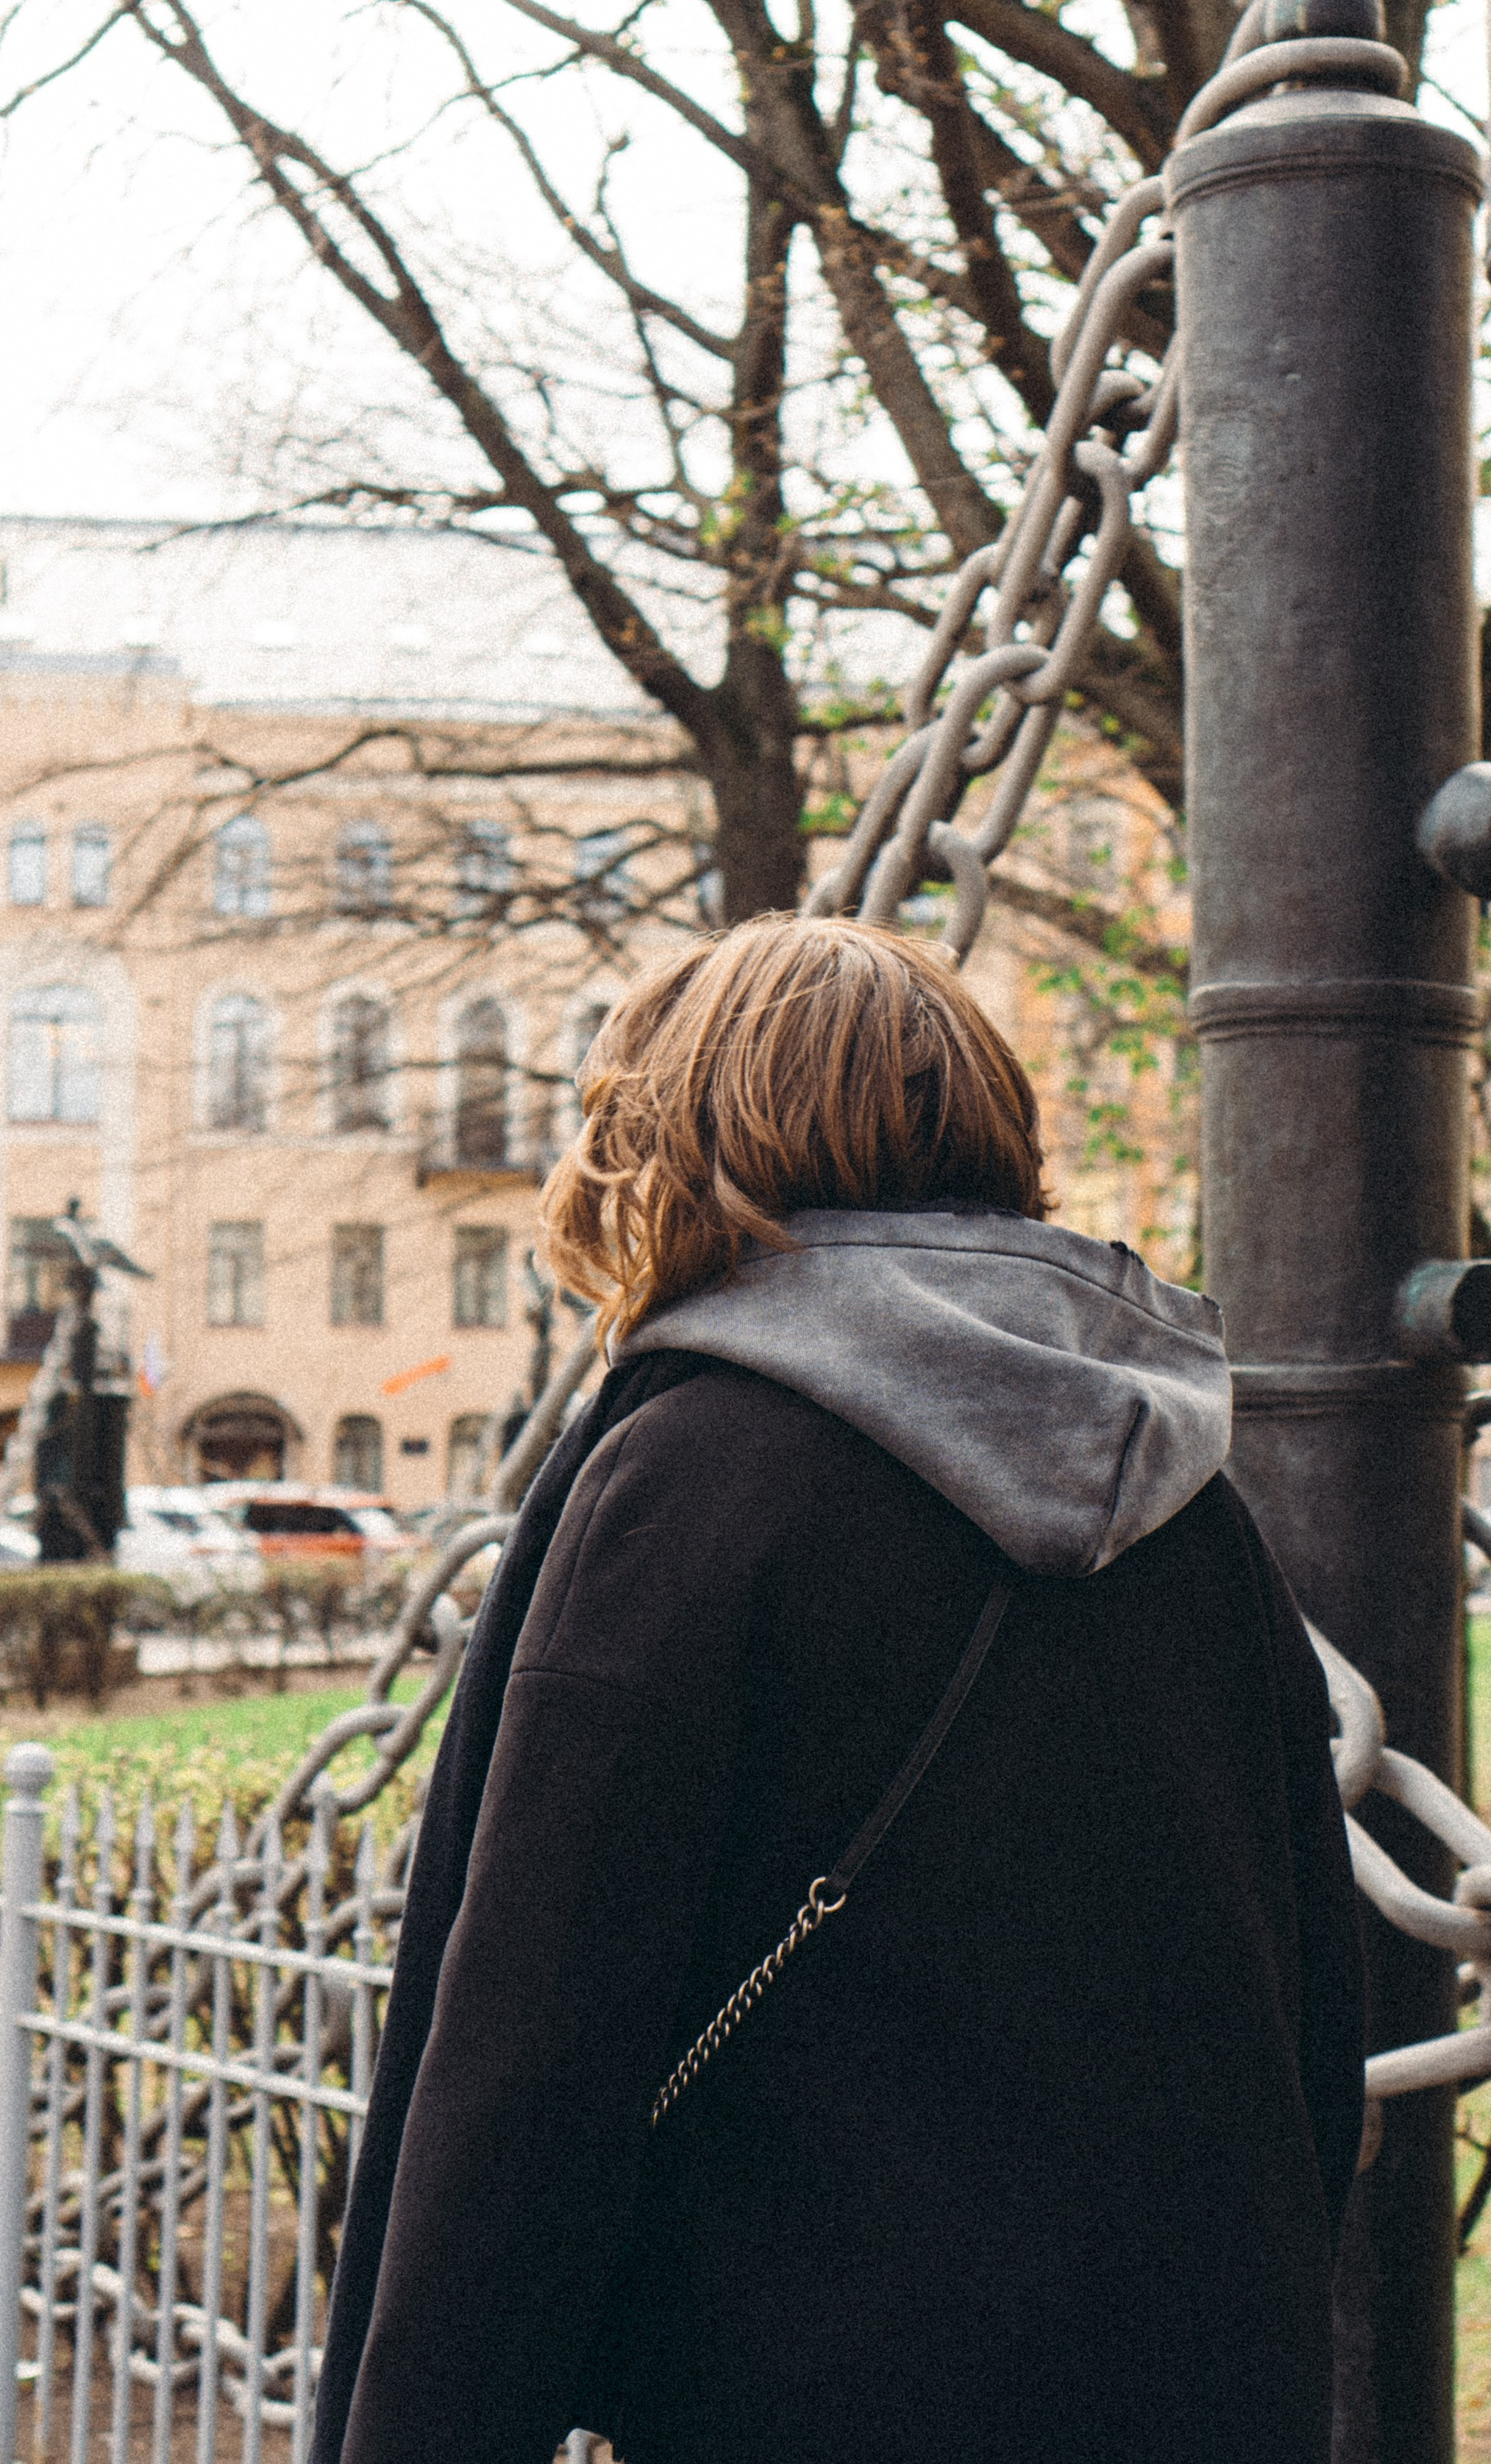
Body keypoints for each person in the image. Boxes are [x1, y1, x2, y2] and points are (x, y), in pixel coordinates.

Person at [312, 914, 1364, 2464]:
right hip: (1191, 2380)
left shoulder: (687, 1475)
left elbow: (533, 2048)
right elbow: (1304, 1993)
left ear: (669, 1137)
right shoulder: (1185, 1501)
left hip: (796, 2388)